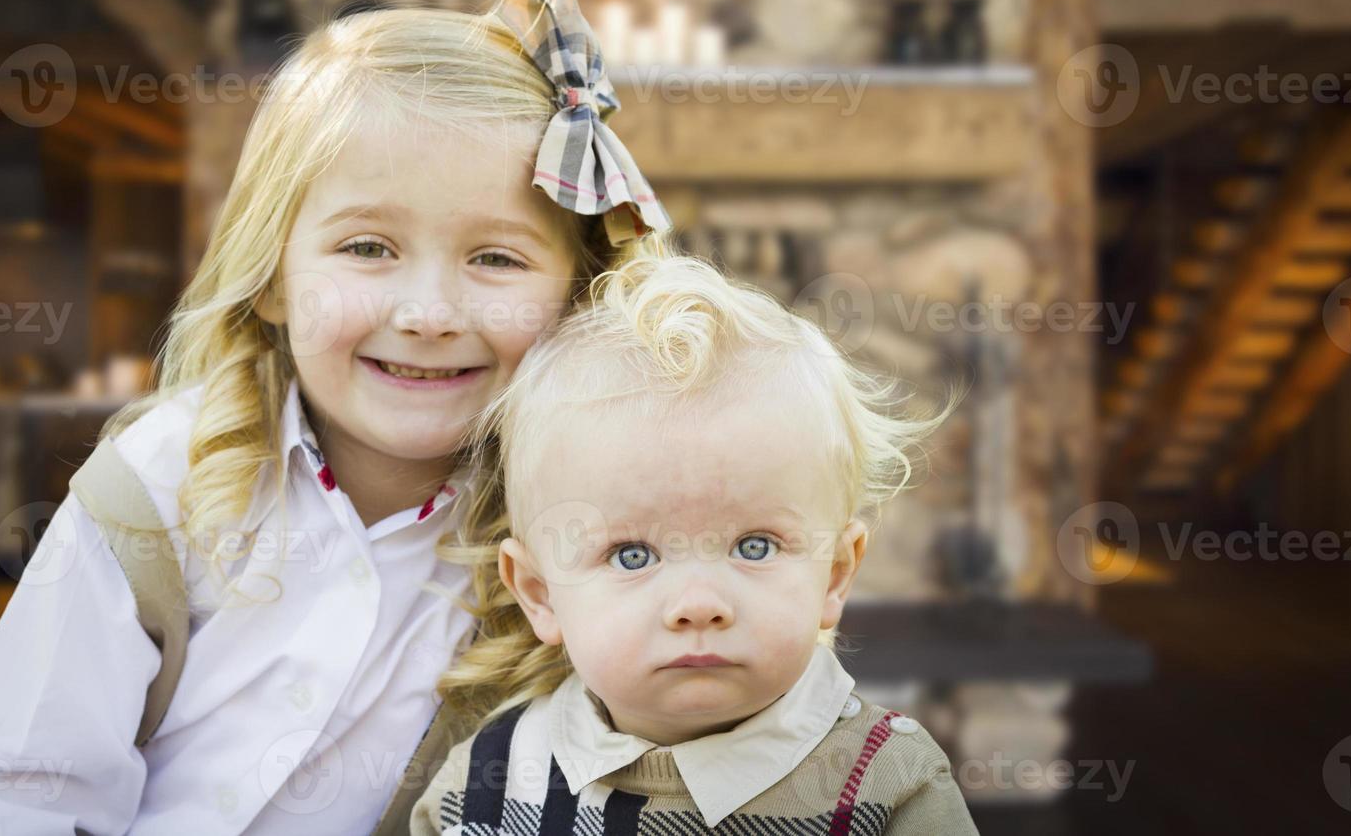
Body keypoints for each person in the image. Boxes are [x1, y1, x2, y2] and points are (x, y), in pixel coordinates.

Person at [0, 0, 670, 835]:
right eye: (367, 247)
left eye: (496, 259)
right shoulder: (160, 486)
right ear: (274, 277)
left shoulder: (581, 523)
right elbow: (13, 793)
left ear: (576, 297)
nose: (427, 314)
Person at [395, 253, 978, 835]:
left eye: (754, 546)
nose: (698, 604)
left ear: (834, 574)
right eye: (632, 556)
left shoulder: (886, 783)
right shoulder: (485, 781)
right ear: (540, 594)